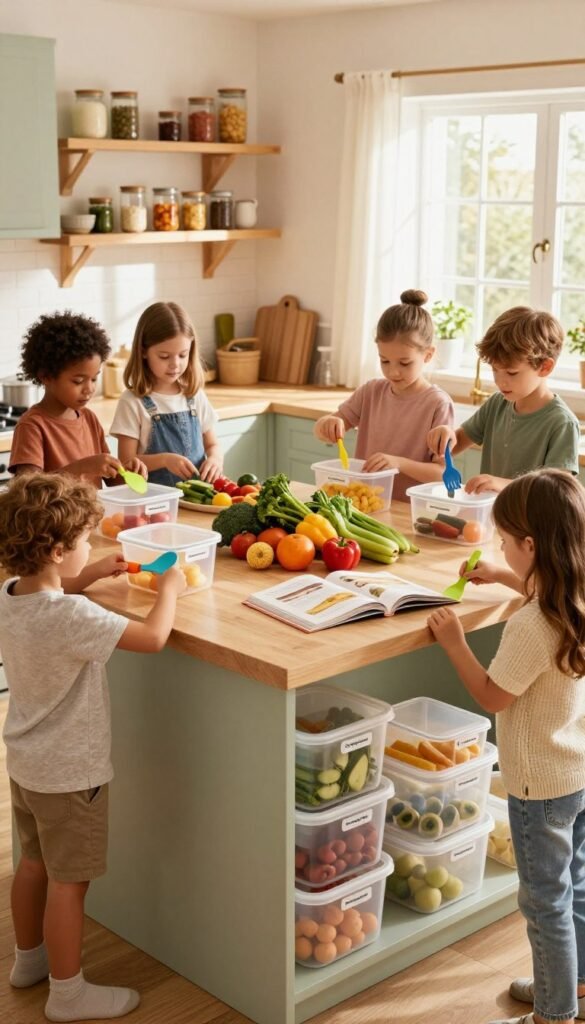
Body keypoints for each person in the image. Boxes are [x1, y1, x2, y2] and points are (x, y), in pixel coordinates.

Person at [0, 472, 186, 1022]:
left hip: (28, 765)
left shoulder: (13, 594)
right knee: (69, 883)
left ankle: (27, 961)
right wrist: (169, 590)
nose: (93, 547)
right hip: (72, 775)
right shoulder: (71, 616)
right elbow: (152, 640)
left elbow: (52, 599)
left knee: (32, 864)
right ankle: (68, 992)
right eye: (86, 542)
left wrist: (89, 574)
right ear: (58, 551)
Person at [427, 468, 585, 1024]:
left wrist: (454, 642)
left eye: (503, 542)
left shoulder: (530, 626)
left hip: (537, 785)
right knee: (577, 888)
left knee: (544, 904)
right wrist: (502, 574)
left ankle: (553, 1013)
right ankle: (576, 985)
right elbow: (548, 590)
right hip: (577, 774)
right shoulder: (574, 594)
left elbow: (493, 696)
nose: (498, 548)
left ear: (530, 545)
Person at [313, 290, 454, 502]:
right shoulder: (371, 392)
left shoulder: (437, 404)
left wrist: (399, 463)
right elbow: (324, 431)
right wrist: (327, 423)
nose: (393, 372)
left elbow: (442, 474)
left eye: (404, 363)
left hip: (408, 511)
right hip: (365, 504)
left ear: (428, 355)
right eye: (384, 361)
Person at [427, 306, 580, 494]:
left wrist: (503, 484)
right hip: (492, 516)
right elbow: (458, 441)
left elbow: (555, 490)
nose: (500, 381)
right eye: (495, 370)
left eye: (511, 372)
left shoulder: (562, 423)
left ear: (545, 367)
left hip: (533, 523)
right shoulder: (497, 403)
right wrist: (447, 436)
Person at [8, 311, 147, 489]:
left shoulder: (89, 419)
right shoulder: (32, 426)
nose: (89, 389)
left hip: (93, 516)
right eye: (78, 381)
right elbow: (29, 491)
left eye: (94, 378)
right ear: (46, 376)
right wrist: (83, 467)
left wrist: (126, 473)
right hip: (54, 518)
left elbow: (111, 481)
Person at [110, 302, 223, 487]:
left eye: (183, 355)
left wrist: (215, 460)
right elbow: (126, 463)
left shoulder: (194, 396)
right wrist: (163, 460)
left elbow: (212, 445)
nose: (175, 364)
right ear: (143, 351)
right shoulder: (132, 402)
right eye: (164, 356)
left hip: (196, 500)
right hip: (154, 502)